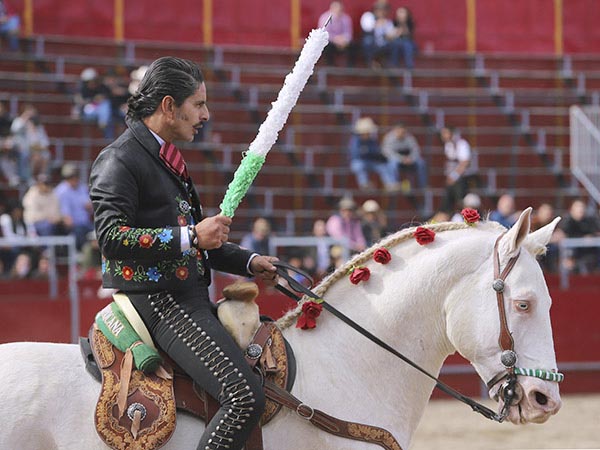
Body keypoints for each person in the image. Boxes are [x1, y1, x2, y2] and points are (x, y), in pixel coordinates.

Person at [89, 56, 279, 450]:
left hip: (183, 296)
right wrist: (192, 236)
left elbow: (198, 243)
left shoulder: (162, 155)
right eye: (198, 104)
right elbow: (111, 238)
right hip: (160, 302)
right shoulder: (120, 158)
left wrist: (248, 262)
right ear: (168, 106)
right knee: (245, 398)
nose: (206, 114)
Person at [348, 117, 399, 191]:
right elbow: (355, 155)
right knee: (358, 166)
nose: (368, 134)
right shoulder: (355, 141)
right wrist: (368, 153)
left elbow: (376, 151)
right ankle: (364, 184)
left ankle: (390, 184)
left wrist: (371, 153)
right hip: (359, 162)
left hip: (371, 162)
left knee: (382, 167)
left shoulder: (372, 140)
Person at [54, 163, 94, 250]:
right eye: (71, 177)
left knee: (97, 231)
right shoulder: (61, 191)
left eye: (76, 176)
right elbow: (66, 216)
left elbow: (90, 206)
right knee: (79, 232)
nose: (74, 179)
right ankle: (82, 255)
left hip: (86, 223)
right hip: (71, 226)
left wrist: (89, 206)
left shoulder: (82, 187)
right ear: (66, 178)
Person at [10, 104, 50, 183]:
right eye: (29, 113)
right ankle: (28, 178)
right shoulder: (19, 121)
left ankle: (42, 176)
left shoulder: (39, 126)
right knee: (29, 155)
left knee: (45, 155)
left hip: (37, 150)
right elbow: (14, 130)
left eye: (33, 114)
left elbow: (45, 143)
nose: (31, 116)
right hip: (22, 150)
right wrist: (25, 118)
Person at [559, 199, 600, 274]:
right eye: (578, 207)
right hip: (571, 252)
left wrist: (591, 236)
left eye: (582, 207)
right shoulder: (566, 221)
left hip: (588, 251)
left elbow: (596, 233)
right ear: (571, 210)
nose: (580, 209)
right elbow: (561, 235)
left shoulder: (589, 220)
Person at [381, 123, 427, 190]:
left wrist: (411, 158)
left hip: (409, 160)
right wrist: (402, 159)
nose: (401, 133)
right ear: (395, 130)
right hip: (396, 160)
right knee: (392, 164)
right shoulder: (389, 138)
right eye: (399, 131)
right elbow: (388, 153)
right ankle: (394, 185)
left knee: (421, 163)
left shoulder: (409, 137)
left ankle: (422, 186)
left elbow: (416, 150)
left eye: (403, 132)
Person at [440, 126, 472, 213]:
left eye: (445, 133)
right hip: (452, 179)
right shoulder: (448, 145)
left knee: (461, 202)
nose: (443, 136)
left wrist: (454, 176)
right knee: (446, 204)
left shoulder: (462, 144)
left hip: (463, 179)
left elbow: (465, 162)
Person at [360, 2, 402, 68]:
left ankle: (392, 66)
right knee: (368, 40)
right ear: (375, 10)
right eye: (380, 10)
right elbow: (367, 28)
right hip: (372, 43)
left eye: (384, 10)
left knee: (396, 43)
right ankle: (370, 63)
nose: (382, 12)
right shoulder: (368, 16)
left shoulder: (387, 21)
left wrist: (395, 33)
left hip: (383, 45)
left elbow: (390, 34)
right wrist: (376, 24)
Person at [318, 1, 355, 67]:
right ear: (331, 9)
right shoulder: (325, 18)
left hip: (343, 42)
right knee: (327, 46)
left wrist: (344, 40)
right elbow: (324, 34)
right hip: (330, 42)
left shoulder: (346, 18)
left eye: (340, 9)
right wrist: (335, 39)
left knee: (353, 46)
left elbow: (349, 33)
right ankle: (330, 66)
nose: (338, 11)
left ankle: (350, 67)